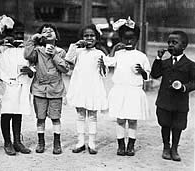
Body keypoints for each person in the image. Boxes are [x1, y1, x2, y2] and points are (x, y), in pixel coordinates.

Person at [101, 17, 151, 156]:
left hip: (134, 91)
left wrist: (142, 72)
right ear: (121, 38)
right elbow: (109, 62)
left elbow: (148, 75)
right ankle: (121, 144)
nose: (129, 41)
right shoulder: (118, 54)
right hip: (120, 90)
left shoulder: (141, 56)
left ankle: (131, 145)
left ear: (137, 39)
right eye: (125, 38)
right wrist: (114, 48)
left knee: (132, 119)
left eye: (132, 38)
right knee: (121, 119)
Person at [0, 15, 33, 156]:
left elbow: (32, 64)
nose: (18, 36)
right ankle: (7, 142)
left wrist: (30, 71)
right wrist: (1, 42)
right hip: (4, 85)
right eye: (15, 33)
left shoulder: (25, 49)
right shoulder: (0, 49)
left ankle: (17, 141)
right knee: (6, 114)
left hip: (19, 84)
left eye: (21, 34)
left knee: (17, 113)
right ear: (7, 34)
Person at [24, 23, 69, 155]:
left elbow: (65, 68)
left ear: (56, 36)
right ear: (41, 36)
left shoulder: (60, 51)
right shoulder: (36, 51)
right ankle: (41, 142)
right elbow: (27, 55)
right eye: (45, 31)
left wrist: (54, 55)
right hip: (39, 88)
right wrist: (33, 39)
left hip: (56, 89)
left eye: (51, 31)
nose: (48, 32)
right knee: (40, 117)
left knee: (55, 117)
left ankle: (57, 142)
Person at [150, 31, 195, 161]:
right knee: (165, 124)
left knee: (177, 126)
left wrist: (184, 87)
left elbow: (194, 82)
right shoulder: (164, 63)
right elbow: (155, 74)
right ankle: (166, 147)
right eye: (169, 43)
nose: (170, 45)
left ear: (184, 46)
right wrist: (158, 58)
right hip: (164, 101)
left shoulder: (190, 64)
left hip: (180, 102)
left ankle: (174, 148)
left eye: (174, 43)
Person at [65, 24, 108, 155]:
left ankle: (92, 142)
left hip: (93, 86)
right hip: (80, 86)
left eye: (92, 35)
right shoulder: (78, 52)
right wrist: (75, 45)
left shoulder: (99, 53)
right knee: (80, 114)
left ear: (97, 38)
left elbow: (104, 73)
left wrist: (103, 67)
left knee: (92, 115)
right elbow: (68, 59)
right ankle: (80, 141)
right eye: (86, 36)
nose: (89, 38)